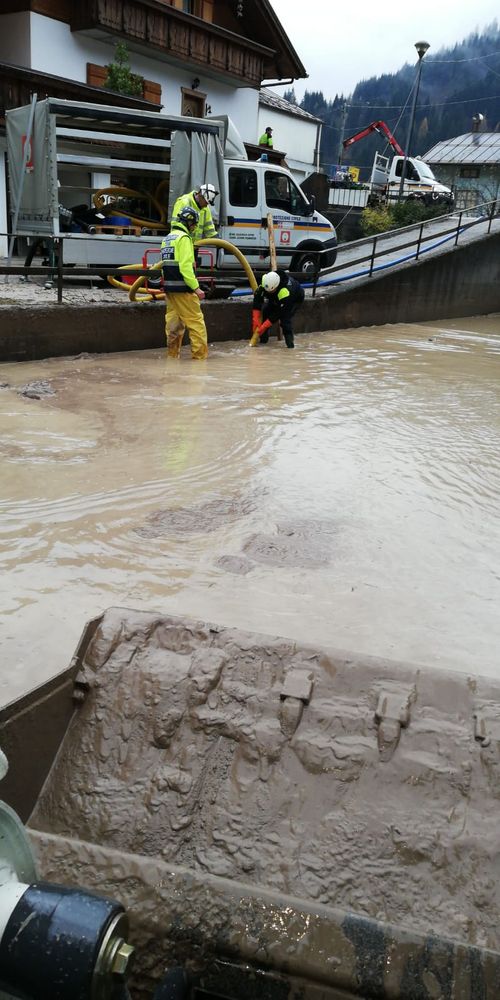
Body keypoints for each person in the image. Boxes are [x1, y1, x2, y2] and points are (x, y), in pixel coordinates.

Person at [161, 205, 208, 360]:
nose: (194, 227)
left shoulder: (168, 239)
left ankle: (172, 357)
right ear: (188, 222)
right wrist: (197, 288)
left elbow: (164, 266)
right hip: (184, 289)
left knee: (173, 325)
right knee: (196, 323)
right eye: (194, 223)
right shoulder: (184, 238)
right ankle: (200, 360)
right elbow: (186, 266)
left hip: (170, 290)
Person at [252, 269, 305, 349]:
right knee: (266, 312)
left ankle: (290, 346)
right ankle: (263, 341)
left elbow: (280, 312)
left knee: (285, 320)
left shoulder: (285, 291)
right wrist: (255, 318)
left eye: (271, 291)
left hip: (294, 299)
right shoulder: (266, 282)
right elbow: (258, 297)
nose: (268, 293)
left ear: (276, 286)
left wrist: (265, 325)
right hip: (277, 298)